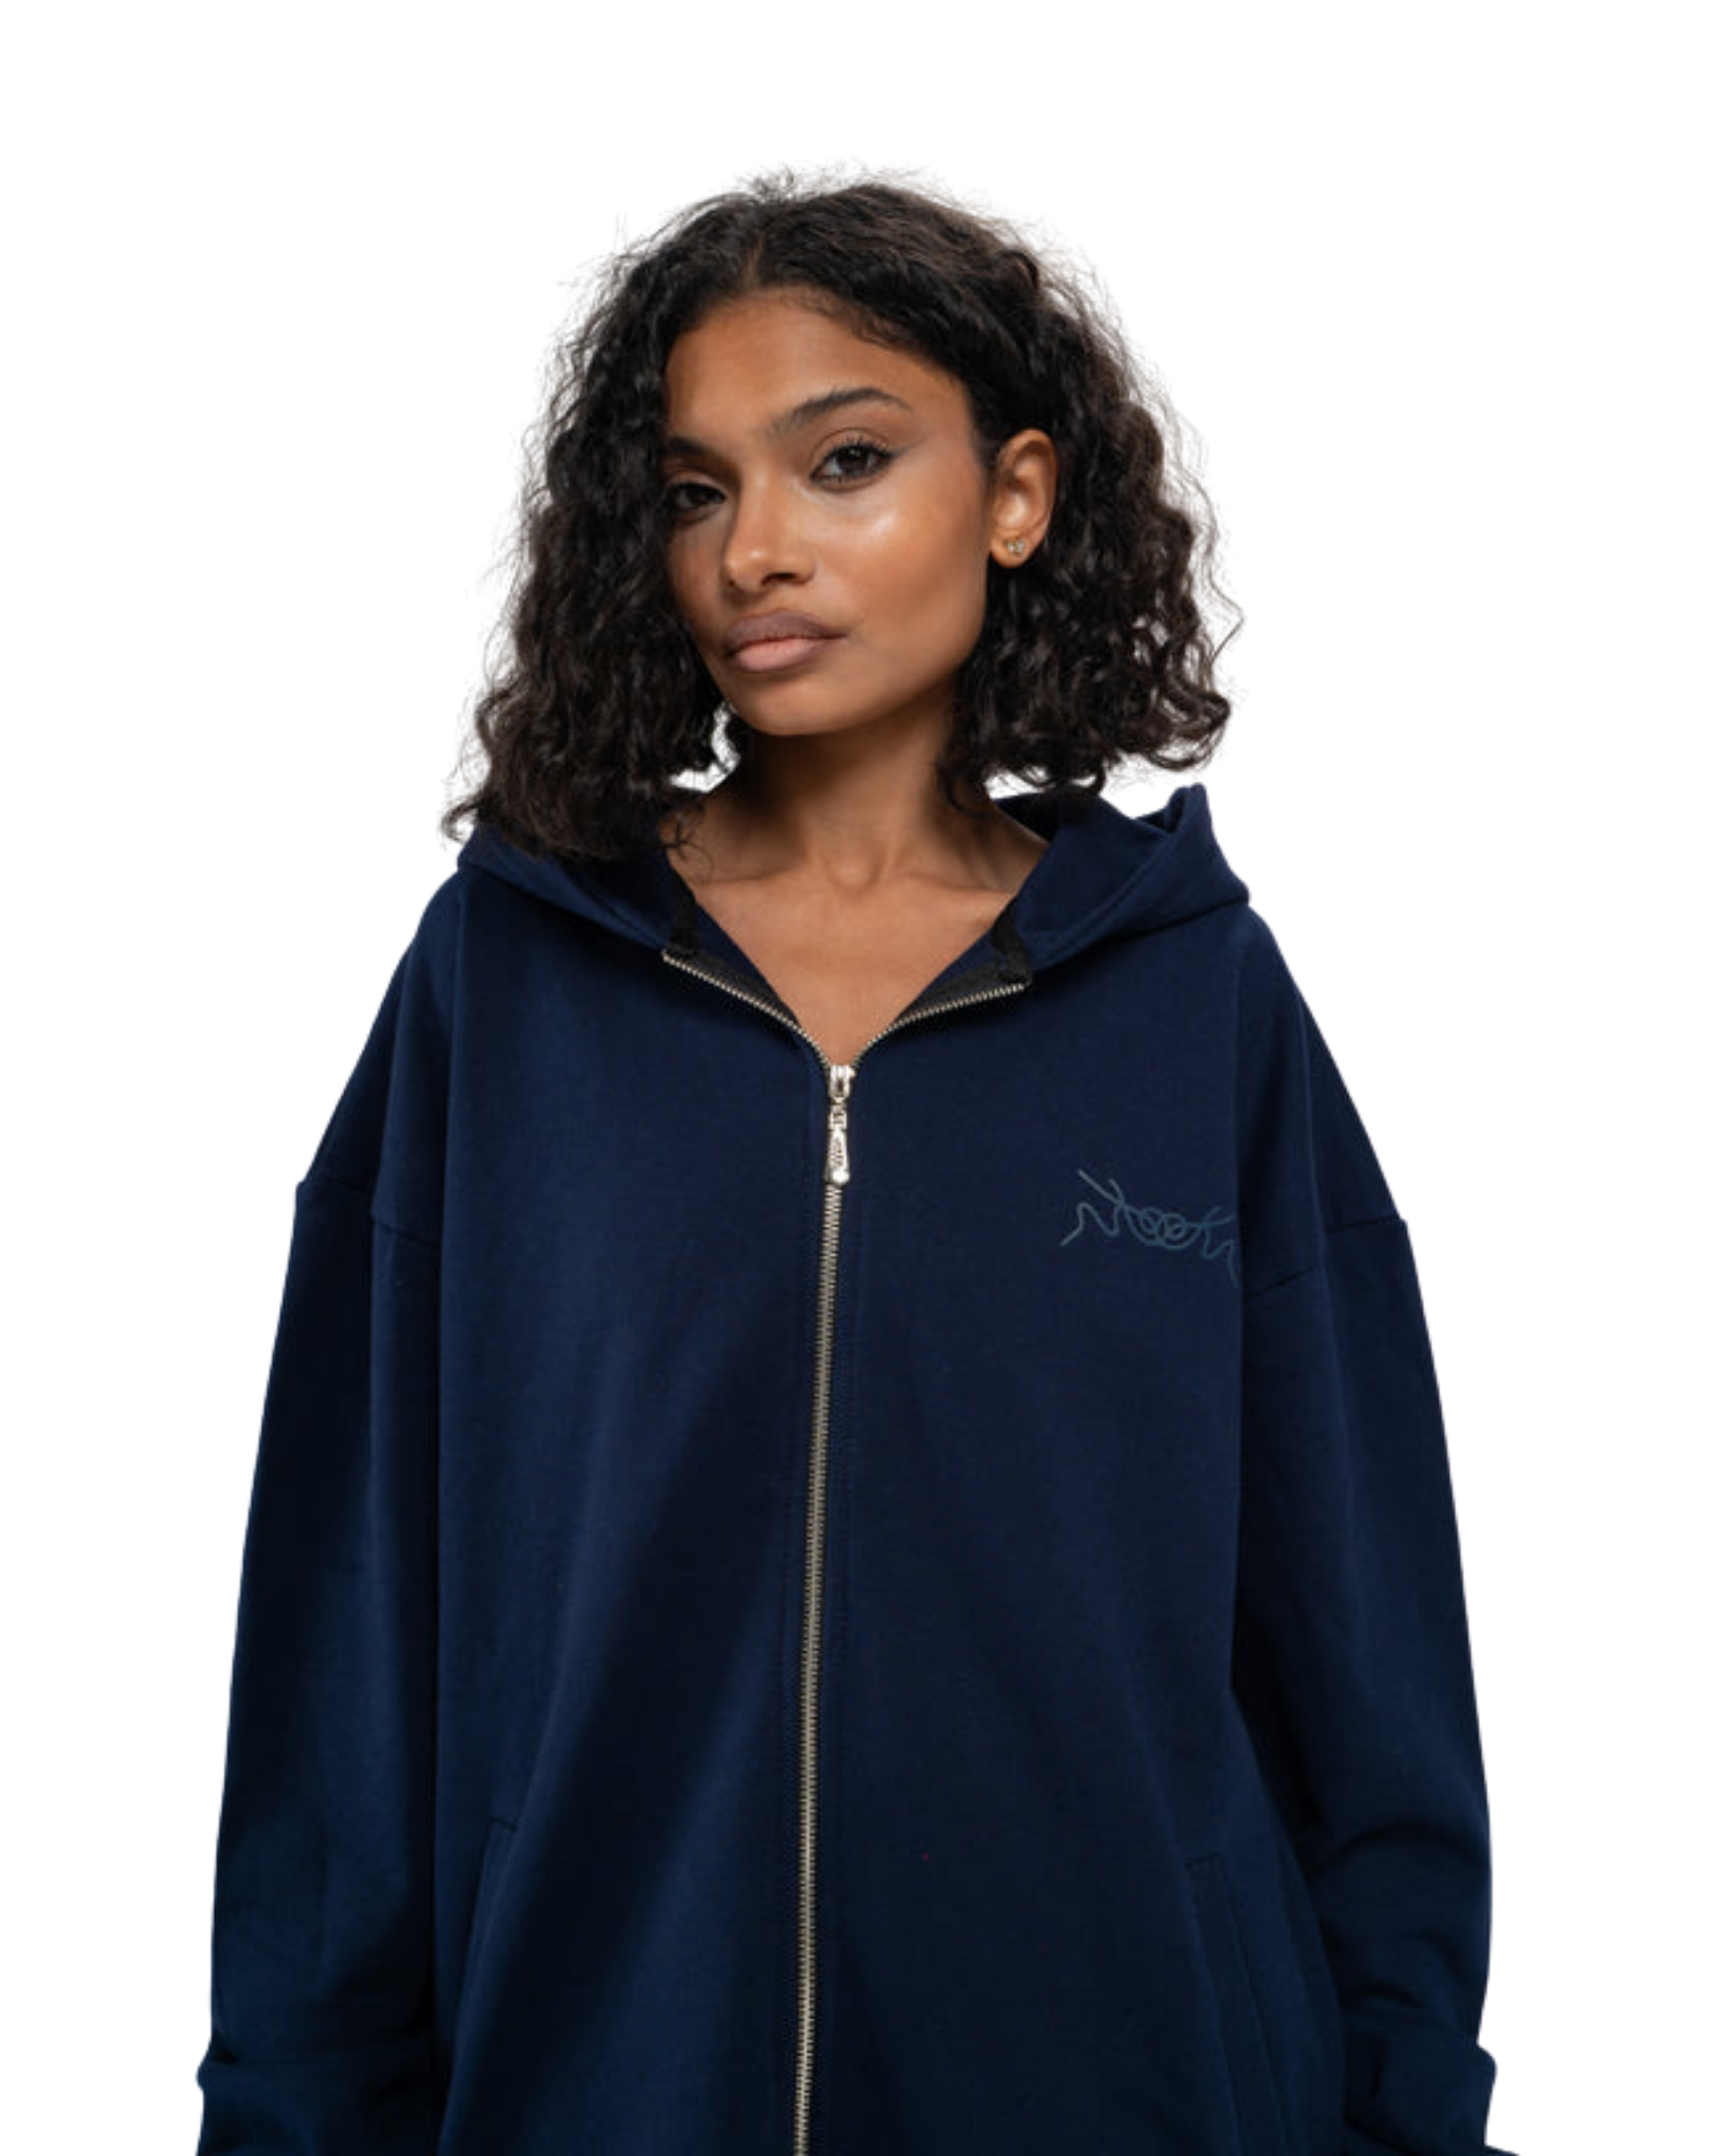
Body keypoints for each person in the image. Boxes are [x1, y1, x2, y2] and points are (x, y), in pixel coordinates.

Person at [195, 175, 1511, 2155]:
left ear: (1017, 493)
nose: (755, 549)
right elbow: (343, 1637)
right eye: (694, 488)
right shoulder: (508, 980)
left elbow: (1365, 1650)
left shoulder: (1190, 997)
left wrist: (1406, 2114)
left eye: (845, 461)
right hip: (601, 2085)